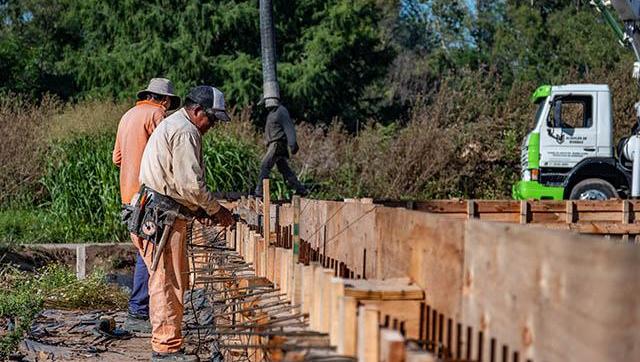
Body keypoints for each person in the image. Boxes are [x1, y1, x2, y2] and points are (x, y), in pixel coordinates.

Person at [137, 85, 236, 361]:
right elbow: (190, 184)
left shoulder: (179, 125)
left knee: (172, 279)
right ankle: (166, 348)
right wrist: (216, 210)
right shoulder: (185, 131)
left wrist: (196, 211)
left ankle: (168, 343)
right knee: (167, 282)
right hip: (161, 216)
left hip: (163, 211)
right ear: (196, 111)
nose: (212, 125)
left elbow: (179, 185)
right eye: (212, 119)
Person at [112, 78, 181, 333]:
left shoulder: (127, 115)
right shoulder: (156, 115)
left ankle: (139, 308)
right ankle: (139, 310)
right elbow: (168, 155)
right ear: (164, 100)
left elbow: (117, 158)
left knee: (143, 248)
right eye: (169, 104)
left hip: (128, 195)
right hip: (149, 194)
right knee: (150, 252)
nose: (167, 109)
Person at [254, 103, 307, 197]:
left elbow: (289, 128)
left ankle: (259, 192)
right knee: (284, 169)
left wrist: (292, 143)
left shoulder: (281, 111)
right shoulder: (272, 113)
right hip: (274, 144)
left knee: (265, 165)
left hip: (277, 144)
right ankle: (300, 189)